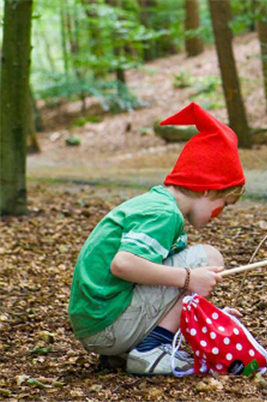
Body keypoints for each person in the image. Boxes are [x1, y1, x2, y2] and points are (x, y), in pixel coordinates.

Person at [68, 103, 244, 375]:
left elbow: (157, 286)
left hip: (100, 323)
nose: (220, 214)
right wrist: (189, 278)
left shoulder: (156, 205)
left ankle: (133, 347)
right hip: (108, 324)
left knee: (190, 269)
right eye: (224, 204)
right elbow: (123, 264)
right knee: (208, 258)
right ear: (208, 189)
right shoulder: (164, 214)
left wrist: (209, 314)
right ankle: (151, 349)